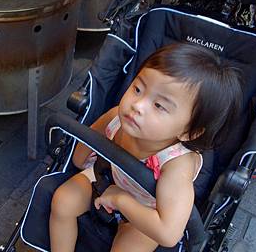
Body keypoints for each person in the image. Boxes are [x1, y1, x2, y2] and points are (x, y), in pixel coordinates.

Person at [49, 43, 243, 252]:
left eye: (159, 106)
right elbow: (80, 157)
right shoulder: (116, 118)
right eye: (138, 89)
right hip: (105, 178)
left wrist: (120, 199)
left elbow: (169, 233)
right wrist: (93, 171)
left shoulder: (176, 164)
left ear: (188, 132)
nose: (138, 105)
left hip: (146, 210)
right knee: (63, 200)